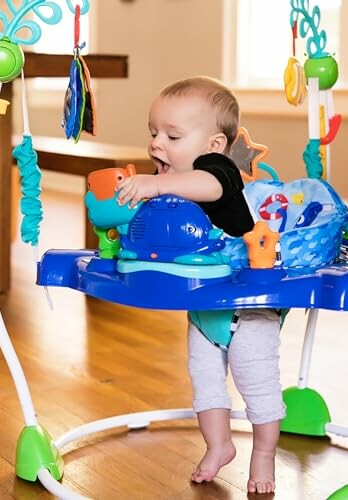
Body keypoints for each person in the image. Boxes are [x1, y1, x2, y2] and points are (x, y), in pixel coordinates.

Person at [116, 76, 285, 494]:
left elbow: (207, 188)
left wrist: (157, 184)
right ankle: (219, 445)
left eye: (173, 135)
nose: (157, 143)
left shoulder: (216, 170)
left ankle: (263, 453)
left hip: (247, 305)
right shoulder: (172, 177)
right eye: (153, 132)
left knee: (255, 382)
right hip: (205, 306)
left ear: (214, 145)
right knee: (205, 381)